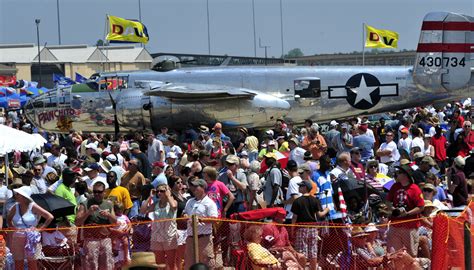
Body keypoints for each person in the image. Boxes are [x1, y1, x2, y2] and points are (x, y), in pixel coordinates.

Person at [7, 186, 54, 270]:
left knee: (32, 263)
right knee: (18, 263)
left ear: (24, 197)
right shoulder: (15, 206)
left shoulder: (33, 206)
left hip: (31, 238)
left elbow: (49, 217)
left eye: (18, 194)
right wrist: (14, 228)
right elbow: (8, 219)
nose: (16, 195)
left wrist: (39, 229)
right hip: (17, 238)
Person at [75, 181, 117, 270]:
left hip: (105, 239)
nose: (97, 194)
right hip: (91, 240)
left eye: (99, 192)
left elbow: (115, 222)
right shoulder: (85, 204)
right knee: (91, 265)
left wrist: (109, 215)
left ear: (104, 192)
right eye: (95, 192)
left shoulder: (108, 204)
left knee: (106, 265)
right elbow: (77, 222)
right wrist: (88, 212)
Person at [386, 164, 424, 257]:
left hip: (410, 226)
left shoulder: (415, 188)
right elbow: (387, 201)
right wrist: (393, 209)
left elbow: (421, 206)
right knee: (394, 254)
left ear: (405, 175)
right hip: (395, 225)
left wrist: (407, 213)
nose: (396, 174)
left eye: (399, 173)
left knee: (411, 254)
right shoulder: (395, 186)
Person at [291, 180, 329, 270]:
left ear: (305, 188)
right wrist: (326, 210)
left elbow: (294, 218)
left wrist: (292, 229)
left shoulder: (297, 201)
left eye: (301, 186)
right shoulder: (315, 200)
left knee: (301, 251)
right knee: (313, 251)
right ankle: (313, 268)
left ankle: (302, 268)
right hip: (313, 228)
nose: (299, 187)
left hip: (301, 228)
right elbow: (319, 215)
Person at [140, 184, 178, 269]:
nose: (159, 193)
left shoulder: (173, 201)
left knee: (171, 264)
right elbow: (142, 211)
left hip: (169, 236)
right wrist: (150, 197)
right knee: (160, 264)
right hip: (156, 236)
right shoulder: (156, 204)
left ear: (167, 191)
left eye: (162, 191)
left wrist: (168, 195)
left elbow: (174, 207)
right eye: (158, 191)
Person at [183, 178, 218, 269]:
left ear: (203, 187)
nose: (193, 188)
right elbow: (184, 213)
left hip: (204, 238)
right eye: (192, 186)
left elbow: (214, 219)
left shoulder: (209, 203)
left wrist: (201, 220)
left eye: (196, 186)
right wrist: (185, 216)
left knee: (206, 263)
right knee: (189, 264)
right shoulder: (189, 201)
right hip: (190, 237)